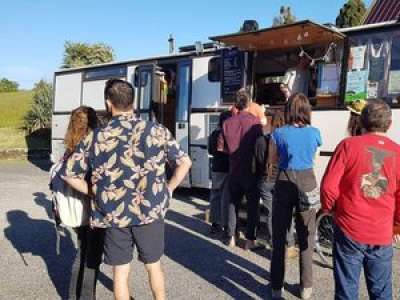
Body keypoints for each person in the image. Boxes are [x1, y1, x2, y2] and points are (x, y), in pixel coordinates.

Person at [63, 79, 192, 300]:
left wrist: (94, 192)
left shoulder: (96, 136)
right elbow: (185, 162)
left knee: (120, 272)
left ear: (108, 102)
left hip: (113, 214)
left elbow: (69, 174)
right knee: (154, 266)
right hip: (150, 211)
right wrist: (168, 189)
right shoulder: (156, 131)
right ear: (133, 102)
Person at [321, 99, 400, 300]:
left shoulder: (348, 146)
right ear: (389, 125)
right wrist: (396, 226)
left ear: (361, 122)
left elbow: (329, 187)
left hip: (349, 228)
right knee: (381, 291)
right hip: (382, 233)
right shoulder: (398, 153)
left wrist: (331, 209)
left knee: (347, 289)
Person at [270, 93, 322, 300]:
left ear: (289, 110)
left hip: (284, 181)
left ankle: (276, 287)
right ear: (306, 110)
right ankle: (306, 288)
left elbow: (273, 160)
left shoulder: (279, 133)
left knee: (280, 237)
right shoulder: (315, 133)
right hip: (308, 182)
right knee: (306, 236)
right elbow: (313, 158)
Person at [53, 106, 105, 300]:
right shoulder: (90, 146)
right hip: (89, 208)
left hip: (73, 209)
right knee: (90, 257)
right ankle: (85, 297)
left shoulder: (69, 146)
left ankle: (74, 296)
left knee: (82, 252)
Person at [221, 88, 263, 249]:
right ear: (249, 103)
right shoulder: (255, 123)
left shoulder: (227, 123)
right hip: (251, 170)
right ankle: (249, 241)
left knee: (233, 203)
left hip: (234, 169)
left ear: (236, 104)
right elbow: (260, 147)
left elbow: (222, 148)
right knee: (252, 206)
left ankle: (231, 237)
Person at [208, 110, 231, 235]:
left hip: (216, 167)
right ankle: (226, 225)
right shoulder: (227, 133)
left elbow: (211, 151)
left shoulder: (213, 133)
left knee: (215, 196)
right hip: (227, 168)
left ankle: (214, 224)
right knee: (225, 198)